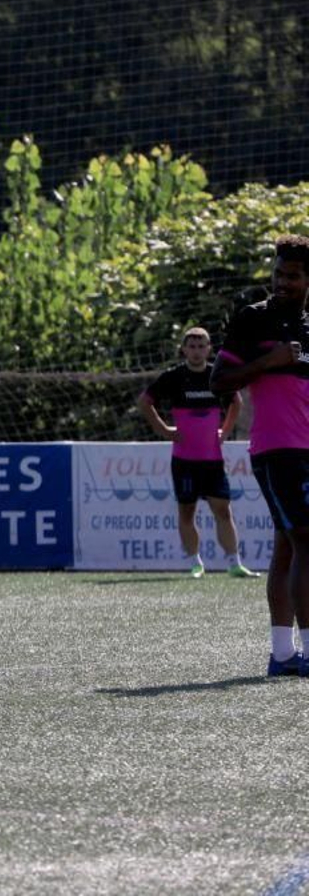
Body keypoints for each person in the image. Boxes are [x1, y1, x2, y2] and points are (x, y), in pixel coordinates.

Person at [212, 235, 309, 677]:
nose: (282, 282)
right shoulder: (254, 318)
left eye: (292, 275)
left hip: (305, 449)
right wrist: (269, 361)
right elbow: (219, 381)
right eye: (277, 273)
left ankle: (283, 654)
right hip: (278, 450)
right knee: (305, 542)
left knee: (288, 545)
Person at [137, 327, 253, 579]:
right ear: (183, 349)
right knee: (187, 512)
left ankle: (234, 563)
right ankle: (195, 563)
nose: (197, 351)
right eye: (192, 346)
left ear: (209, 349)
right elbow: (144, 401)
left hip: (212, 460)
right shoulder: (174, 376)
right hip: (184, 460)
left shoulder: (216, 375)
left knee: (223, 510)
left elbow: (237, 402)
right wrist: (162, 429)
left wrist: (225, 431)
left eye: (202, 346)